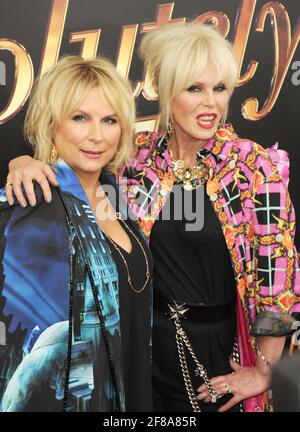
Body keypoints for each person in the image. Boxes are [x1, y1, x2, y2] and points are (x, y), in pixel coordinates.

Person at [5, 23, 300, 412]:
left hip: (214, 354)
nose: (210, 103)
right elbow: (78, 166)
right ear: (165, 89)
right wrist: (23, 161)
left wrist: (265, 369)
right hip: (140, 348)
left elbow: (278, 283)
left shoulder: (252, 168)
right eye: (194, 88)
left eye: (220, 88)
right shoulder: (138, 160)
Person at [0, 56, 153, 412]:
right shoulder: (32, 204)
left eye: (109, 120)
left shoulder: (115, 196)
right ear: (52, 124)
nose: (97, 136)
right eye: (80, 118)